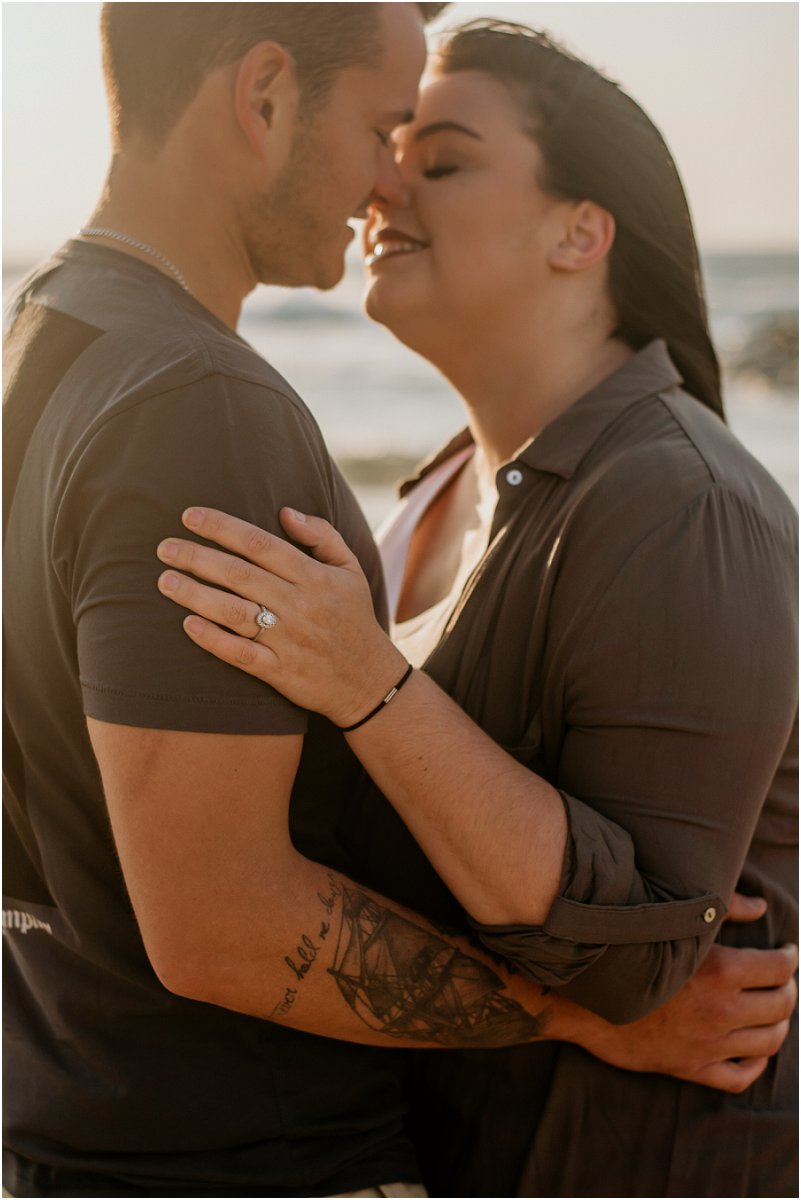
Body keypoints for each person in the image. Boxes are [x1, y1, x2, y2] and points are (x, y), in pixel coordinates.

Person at [153, 21, 799, 1198]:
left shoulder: (684, 506)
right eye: (389, 146)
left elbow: (642, 961)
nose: (383, 184)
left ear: (579, 234)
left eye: (442, 160)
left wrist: (366, 683)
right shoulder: (439, 489)